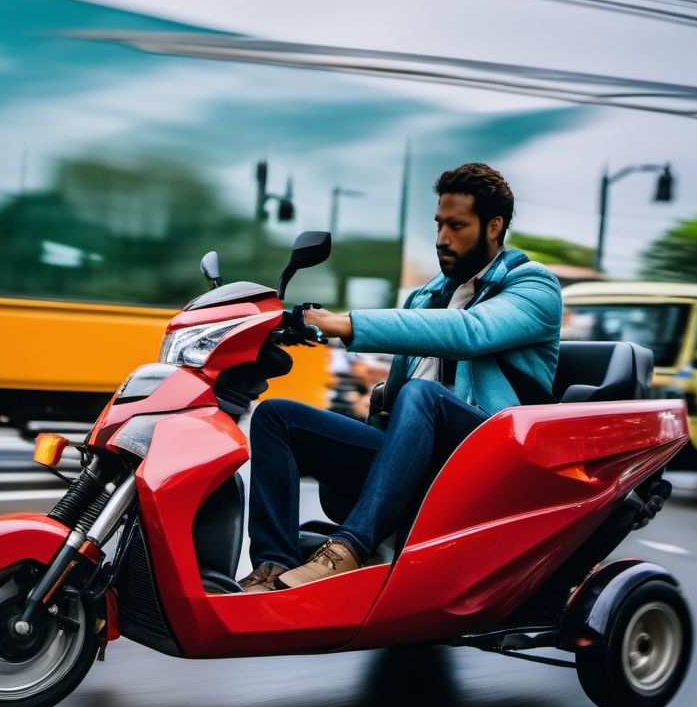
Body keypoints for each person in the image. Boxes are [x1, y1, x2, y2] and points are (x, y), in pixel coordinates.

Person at [239, 162, 563, 593]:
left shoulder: (534, 287)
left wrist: (343, 323)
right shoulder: (428, 295)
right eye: (439, 224)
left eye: (457, 226)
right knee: (275, 416)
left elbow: (471, 333)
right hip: (415, 457)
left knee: (423, 395)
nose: (441, 239)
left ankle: (348, 550)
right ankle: (274, 563)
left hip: (490, 456)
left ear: (494, 227)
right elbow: (395, 395)